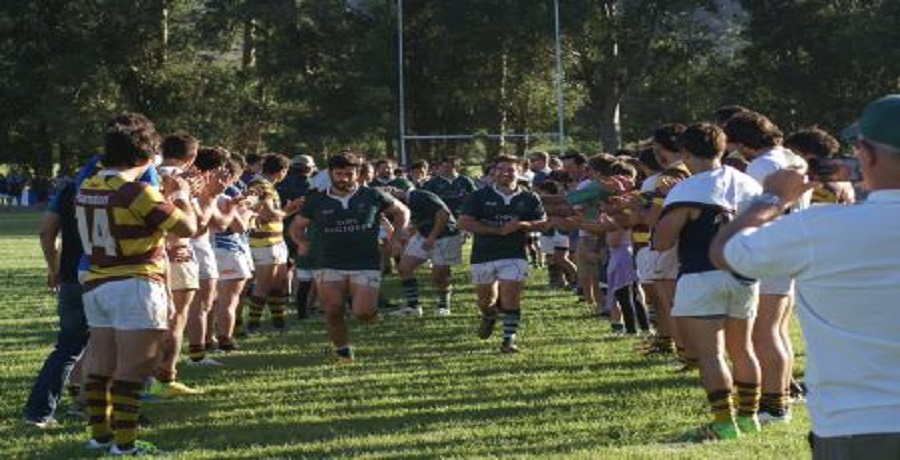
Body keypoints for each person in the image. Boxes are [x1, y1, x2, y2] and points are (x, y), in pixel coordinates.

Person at [710, 94, 900, 458]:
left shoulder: (818, 228)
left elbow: (726, 251)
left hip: (857, 425)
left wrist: (772, 198)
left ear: (867, 155)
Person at [77, 113, 196, 455]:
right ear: (146, 156)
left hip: (97, 282)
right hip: (134, 282)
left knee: (100, 362)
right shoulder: (137, 191)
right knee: (136, 366)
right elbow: (186, 228)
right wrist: (182, 195)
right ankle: (125, 445)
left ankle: (100, 436)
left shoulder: (90, 184)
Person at [653, 123, 763, 441]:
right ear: (723, 148)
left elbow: (662, 241)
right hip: (744, 273)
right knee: (743, 350)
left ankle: (724, 423)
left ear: (685, 152)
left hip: (701, 272)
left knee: (712, 354)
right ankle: (749, 418)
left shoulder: (688, 188)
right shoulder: (748, 183)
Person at [724, 111, 808, 423]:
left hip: (772, 249)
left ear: (744, 141)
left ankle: (774, 406)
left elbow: (760, 211)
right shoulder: (792, 157)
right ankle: (783, 395)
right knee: (778, 329)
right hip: (793, 247)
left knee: (763, 333)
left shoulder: (761, 165)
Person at [289, 153, 410, 362]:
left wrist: (397, 237)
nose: (344, 178)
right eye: (339, 174)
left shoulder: (372, 195)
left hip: (365, 261)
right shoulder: (316, 200)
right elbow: (296, 227)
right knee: (333, 309)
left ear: (358, 173)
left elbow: (402, 212)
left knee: (363, 312)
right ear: (330, 173)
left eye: (349, 174)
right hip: (327, 261)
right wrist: (301, 242)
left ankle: (371, 314)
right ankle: (343, 351)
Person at [459, 155, 546, 353]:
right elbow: (464, 222)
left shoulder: (529, 197)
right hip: (483, 254)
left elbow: (543, 224)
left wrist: (521, 225)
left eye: (510, 169)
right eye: (500, 168)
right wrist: (498, 230)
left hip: (514, 254)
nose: (505, 173)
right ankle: (489, 316)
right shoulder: (479, 196)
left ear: (520, 171)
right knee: (486, 301)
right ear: (494, 172)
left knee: (511, 297)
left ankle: (508, 340)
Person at [22, 180, 90, 428]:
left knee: (68, 348)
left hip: (71, 276)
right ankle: (98, 407)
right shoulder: (127, 186)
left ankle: (38, 412)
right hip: (110, 275)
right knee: (110, 344)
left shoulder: (71, 188)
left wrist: (55, 269)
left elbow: (46, 231)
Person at [245, 154, 302, 332]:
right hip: (263, 242)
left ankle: (279, 322)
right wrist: (289, 210)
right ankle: (253, 324)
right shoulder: (261, 185)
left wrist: (285, 211)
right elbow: (268, 214)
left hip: (276, 240)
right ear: (282, 171)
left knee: (279, 284)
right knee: (263, 286)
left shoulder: (267, 185)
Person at [390, 188, 462, 317]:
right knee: (404, 267)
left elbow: (443, 214)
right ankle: (413, 307)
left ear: (396, 191)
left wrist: (431, 238)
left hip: (445, 236)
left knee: (439, 275)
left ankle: (444, 305)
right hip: (423, 235)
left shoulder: (420, 196)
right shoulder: (400, 205)